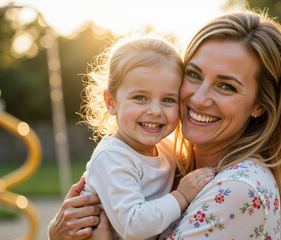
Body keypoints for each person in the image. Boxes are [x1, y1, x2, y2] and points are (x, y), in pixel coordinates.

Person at [49, 10, 281, 240]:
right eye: (194, 74)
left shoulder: (238, 190)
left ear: (260, 105)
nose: (198, 99)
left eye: (226, 86)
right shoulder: (172, 160)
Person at [53, 36, 215, 240]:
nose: (155, 111)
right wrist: (180, 196)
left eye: (167, 99)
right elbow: (133, 225)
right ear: (111, 102)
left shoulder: (165, 149)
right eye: (140, 98)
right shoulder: (113, 157)